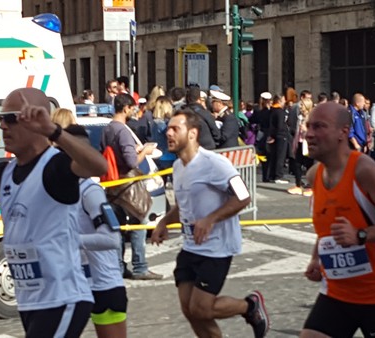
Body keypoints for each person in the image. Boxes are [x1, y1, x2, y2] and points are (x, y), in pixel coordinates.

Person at [0, 87, 108, 337]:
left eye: (11, 118)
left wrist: (55, 132)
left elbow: (98, 166)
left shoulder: (55, 166)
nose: (2, 125)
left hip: (64, 296)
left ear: (37, 121)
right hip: (30, 300)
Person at [299, 102, 375, 338]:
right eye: (309, 126)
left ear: (343, 132)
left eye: (319, 127)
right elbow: (328, 227)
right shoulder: (314, 175)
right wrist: (316, 258)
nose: (309, 134)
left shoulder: (364, 170)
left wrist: (361, 235)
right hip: (336, 291)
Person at [151, 109, 270, 338]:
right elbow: (183, 206)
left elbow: (243, 195)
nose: (169, 133)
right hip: (189, 246)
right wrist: (164, 222)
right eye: (168, 129)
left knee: (201, 308)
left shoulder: (214, 163)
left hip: (216, 248)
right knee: (190, 311)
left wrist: (211, 219)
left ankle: (250, 306)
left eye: (176, 128)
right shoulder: (177, 167)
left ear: (193, 134)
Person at [64, 124, 127, 338]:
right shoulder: (61, 189)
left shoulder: (90, 191)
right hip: (74, 285)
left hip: (104, 286)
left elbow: (111, 239)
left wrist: (71, 240)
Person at [101, 93, 162, 281]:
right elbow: (131, 161)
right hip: (128, 184)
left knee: (118, 227)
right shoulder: (123, 131)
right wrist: (145, 150)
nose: (133, 110)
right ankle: (140, 267)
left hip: (113, 184)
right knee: (139, 222)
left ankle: (119, 267)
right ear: (126, 108)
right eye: (132, 107)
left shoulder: (108, 129)